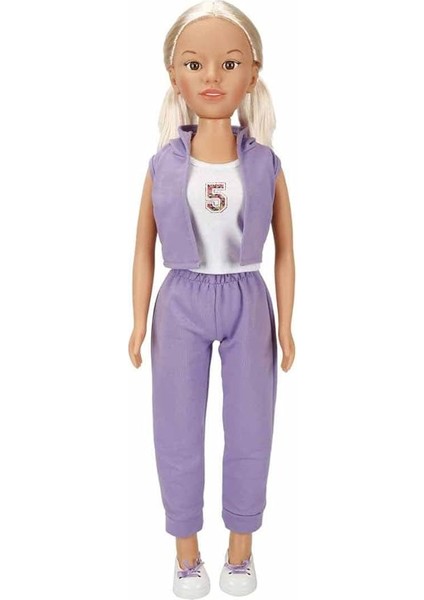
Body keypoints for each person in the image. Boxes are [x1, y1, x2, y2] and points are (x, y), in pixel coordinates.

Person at [128, 1, 295, 597]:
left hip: (248, 295)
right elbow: (143, 247)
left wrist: (287, 326)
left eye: (229, 63)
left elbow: (286, 250)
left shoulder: (266, 163)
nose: (212, 77)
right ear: (175, 76)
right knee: (176, 428)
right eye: (195, 64)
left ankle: (241, 549)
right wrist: (137, 322)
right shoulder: (163, 165)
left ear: (253, 72)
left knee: (251, 425)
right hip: (180, 299)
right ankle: (186, 552)